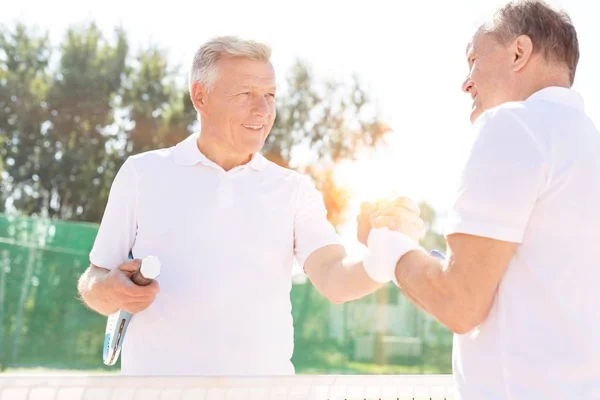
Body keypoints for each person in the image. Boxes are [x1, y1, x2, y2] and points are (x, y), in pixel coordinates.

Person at [76, 36, 423, 376]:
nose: (263, 110)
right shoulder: (142, 173)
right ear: (200, 96)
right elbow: (95, 279)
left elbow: (334, 280)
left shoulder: (293, 189)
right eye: (245, 94)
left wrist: (384, 255)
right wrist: (108, 290)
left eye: (270, 95)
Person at [362, 0, 600, 398]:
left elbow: (461, 303)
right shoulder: (586, 146)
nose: (465, 82)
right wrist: (431, 258)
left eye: (473, 58)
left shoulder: (513, 124)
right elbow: (528, 283)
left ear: (519, 52)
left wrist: (389, 247)